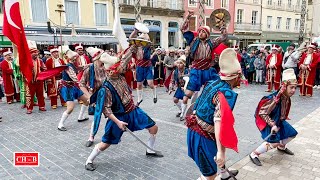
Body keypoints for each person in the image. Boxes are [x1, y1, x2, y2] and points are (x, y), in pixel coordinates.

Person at [85, 45, 163, 171]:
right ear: (109, 71)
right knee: (106, 143)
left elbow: (125, 60)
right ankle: (89, 160)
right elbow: (107, 110)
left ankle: (150, 150)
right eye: (117, 68)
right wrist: (118, 122)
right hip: (118, 117)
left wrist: (133, 45)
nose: (121, 69)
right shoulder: (106, 89)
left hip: (133, 110)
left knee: (154, 128)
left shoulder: (120, 75)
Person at [186, 48, 240, 180]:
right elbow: (219, 122)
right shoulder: (227, 94)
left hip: (195, 129)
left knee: (220, 143)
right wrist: (220, 153)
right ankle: (216, 173)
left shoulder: (213, 82)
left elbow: (196, 105)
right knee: (209, 176)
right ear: (236, 77)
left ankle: (224, 172)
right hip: (202, 137)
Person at [180, 10, 227, 120]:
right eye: (199, 31)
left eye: (203, 32)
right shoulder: (192, 41)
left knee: (217, 87)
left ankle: (213, 109)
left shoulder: (212, 43)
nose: (200, 33)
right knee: (187, 96)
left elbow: (224, 37)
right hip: (196, 71)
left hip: (207, 70)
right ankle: (183, 113)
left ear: (207, 34)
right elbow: (183, 29)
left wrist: (222, 25)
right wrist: (188, 17)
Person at [250, 68, 298, 166]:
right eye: (291, 87)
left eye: (295, 88)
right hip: (269, 122)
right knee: (274, 143)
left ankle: (281, 147)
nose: (293, 90)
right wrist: (272, 125)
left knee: (292, 133)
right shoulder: (274, 99)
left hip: (279, 121)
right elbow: (262, 113)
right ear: (284, 87)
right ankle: (254, 154)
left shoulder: (286, 98)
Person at [57, 46, 89, 131]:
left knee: (86, 101)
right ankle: (60, 124)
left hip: (73, 86)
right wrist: (83, 85)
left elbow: (80, 68)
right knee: (70, 108)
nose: (76, 58)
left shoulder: (73, 64)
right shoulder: (68, 66)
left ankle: (81, 117)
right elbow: (75, 78)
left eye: (76, 57)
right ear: (71, 58)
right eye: (74, 57)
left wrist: (90, 65)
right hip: (67, 88)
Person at [79, 47, 107, 147]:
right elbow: (81, 84)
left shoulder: (107, 66)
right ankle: (91, 137)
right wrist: (89, 96)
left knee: (115, 114)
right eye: (102, 56)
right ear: (96, 58)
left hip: (109, 93)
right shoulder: (90, 69)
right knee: (96, 116)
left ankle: (114, 133)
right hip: (96, 95)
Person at [129, 29, 157, 105]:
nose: (141, 41)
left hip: (147, 67)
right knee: (139, 84)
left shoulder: (147, 46)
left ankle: (155, 95)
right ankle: (139, 99)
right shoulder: (135, 46)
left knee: (150, 84)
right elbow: (130, 38)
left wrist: (144, 32)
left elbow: (148, 40)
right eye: (140, 39)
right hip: (139, 67)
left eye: (142, 40)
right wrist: (135, 31)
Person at [25, 41, 46, 114]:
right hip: (30, 81)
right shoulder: (27, 61)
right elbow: (23, 71)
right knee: (29, 95)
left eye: (36, 52)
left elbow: (44, 68)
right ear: (30, 53)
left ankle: (41, 106)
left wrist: (44, 72)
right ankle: (29, 108)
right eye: (34, 52)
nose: (36, 54)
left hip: (39, 81)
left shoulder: (40, 61)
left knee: (40, 94)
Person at [170, 55, 189, 120]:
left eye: (180, 63)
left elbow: (191, 80)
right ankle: (181, 110)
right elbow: (172, 80)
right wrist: (171, 88)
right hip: (179, 87)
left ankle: (182, 115)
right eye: (178, 63)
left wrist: (186, 87)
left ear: (184, 64)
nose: (179, 65)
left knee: (184, 100)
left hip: (187, 87)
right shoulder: (175, 72)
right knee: (175, 99)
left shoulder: (188, 71)